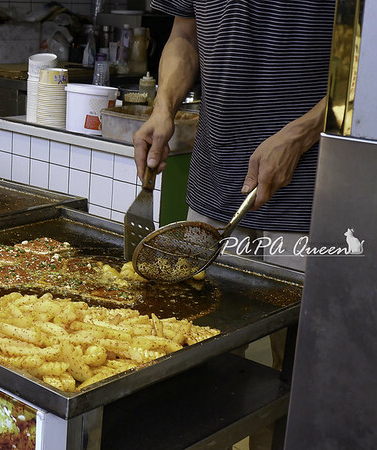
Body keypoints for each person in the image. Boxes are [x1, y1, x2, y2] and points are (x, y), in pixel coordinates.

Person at [132, 1, 335, 448]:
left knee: (299, 378)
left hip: (310, 196)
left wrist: (300, 135)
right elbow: (184, 34)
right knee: (198, 364)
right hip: (214, 185)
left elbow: (373, 65)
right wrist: (164, 104)